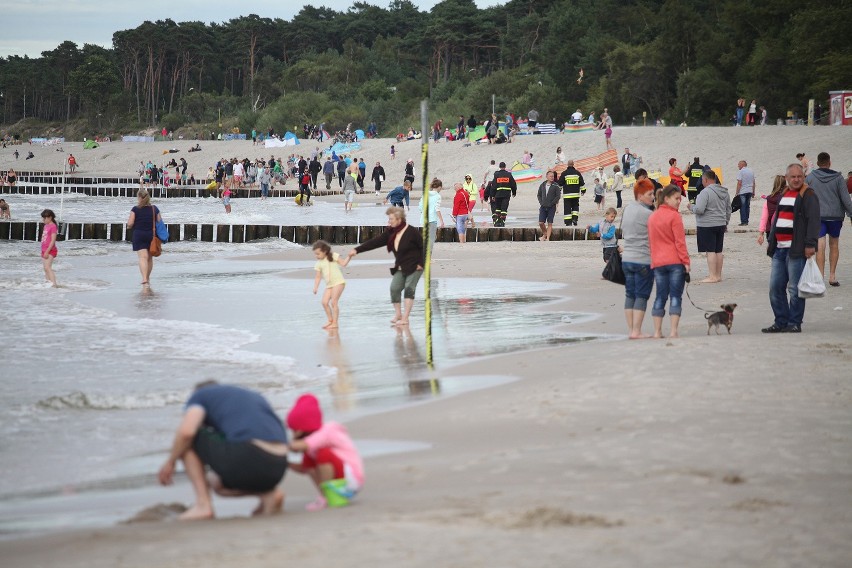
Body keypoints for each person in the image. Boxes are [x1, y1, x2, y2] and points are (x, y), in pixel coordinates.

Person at [157, 381, 288, 520]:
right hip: (279, 464)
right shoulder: (250, 396)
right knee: (217, 483)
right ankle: (269, 495)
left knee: (188, 441)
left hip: (250, 455)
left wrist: (171, 461)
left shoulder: (200, 396)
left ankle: (203, 506)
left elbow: (187, 432)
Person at [762, 163, 821, 333]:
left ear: (803, 177)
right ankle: (780, 321)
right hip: (779, 249)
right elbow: (776, 220)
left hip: (796, 250)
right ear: (786, 178)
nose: (796, 179)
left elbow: (814, 221)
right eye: (793, 177)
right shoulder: (784, 194)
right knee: (775, 288)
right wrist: (771, 241)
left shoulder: (808, 195)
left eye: (799, 176)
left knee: (795, 289)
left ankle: (794, 322)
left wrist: (810, 244)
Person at [285, 394, 364, 511]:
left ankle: (325, 495)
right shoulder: (312, 442)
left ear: (300, 429)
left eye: (293, 430)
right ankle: (327, 495)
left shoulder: (326, 432)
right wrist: (286, 463)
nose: (293, 433)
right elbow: (304, 468)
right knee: (308, 457)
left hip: (351, 480)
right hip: (340, 480)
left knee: (324, 454)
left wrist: (278, 446)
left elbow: (302, 445)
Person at [347, 207, 424, 326]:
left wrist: (421, 263)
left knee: (409, 289)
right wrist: (357, 250)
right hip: (401, 265)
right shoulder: (390, 233)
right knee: (394, 288)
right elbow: (375, 242)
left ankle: (405, 318)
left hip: (415, 266)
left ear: (399, 219)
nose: (389, 222)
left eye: (391, 219)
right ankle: (398, 314)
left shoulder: (412, 231)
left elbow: (423, 248)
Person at [648, 185, 691, 338]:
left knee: (660, 296)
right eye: (677, 198)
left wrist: (653, 261)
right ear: (666, 198)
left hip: (658, 262)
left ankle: (657, 331)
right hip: (674, 262)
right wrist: (686, 262)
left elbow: (651, 243)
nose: (679, 201)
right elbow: (680, 242)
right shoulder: (675, 216)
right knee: (675, 296)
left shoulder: (652, 216)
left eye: (680, 198)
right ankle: (673, 331)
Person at [806, 152, 852, 287]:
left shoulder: (810, 177)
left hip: (817, 215)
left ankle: (820, 276)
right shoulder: (838, 178)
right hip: (835, 216)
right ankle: (832, 276)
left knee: (820, 245)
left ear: (818, 163)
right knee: (834, 244)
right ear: (829, 162)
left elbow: (804, 196)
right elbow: (846, 199)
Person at [622, 179, 656, 338]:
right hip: (642, 259)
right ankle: (636, 331)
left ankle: (632, 330)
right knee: (641, 295)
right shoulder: (648, 214)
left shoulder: (627, 209)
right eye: (650, 194)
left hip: (627, 258)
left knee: (630, 294)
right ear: (640, 195)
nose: (653, 197)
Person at [689, 170, 731, 283]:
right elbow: (728, 209)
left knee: (710, 251)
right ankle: (718, 275)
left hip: (707, 224)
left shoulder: (705, 192)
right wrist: (726, 222)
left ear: (706, 179)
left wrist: (691, 207)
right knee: (718, 250)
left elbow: (699, 209)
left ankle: (712, 276)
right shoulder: (724, 192)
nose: (702, 182)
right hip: (721, 223)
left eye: (702, 180)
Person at [127, 190, 162, 286]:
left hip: (139, 235)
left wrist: (129, 226)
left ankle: (144, 278)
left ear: (139, 197)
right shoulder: (154, 209)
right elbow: (160, 222)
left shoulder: (135, 209)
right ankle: (147, 278)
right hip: (151, 235)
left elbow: (130, 223)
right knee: (149, 258)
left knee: (143, 257)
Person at [312, 240, 347, 329]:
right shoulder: (318, 263)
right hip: (329, 285)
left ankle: (335, 323)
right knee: (324, 302)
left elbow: (343, 263)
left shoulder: (333, 256)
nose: (316, 256)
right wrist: (315, 287)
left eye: (318, 254)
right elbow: (318, 277)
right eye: (315, 254)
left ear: (325, 251)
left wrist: (350, 256)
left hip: (338, 282)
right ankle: (330, 320)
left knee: (334, 302)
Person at [757, 175, 787, 246]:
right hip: (785, 230)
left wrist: (761, 233)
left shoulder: (768, 200)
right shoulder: (788, 198)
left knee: (775, 254)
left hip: (771, 230)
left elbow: (764, 218)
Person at [419, 178, 445, 252]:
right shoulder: (438, 196)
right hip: (432, 220)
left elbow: (420, 207)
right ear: (439, 187)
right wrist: (442, 221)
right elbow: (437, 209)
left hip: (423, 220)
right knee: (431, 239)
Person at [490, 162, 517, 227]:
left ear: (499, 167)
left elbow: (493, 186)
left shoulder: (496, 175)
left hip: (498, 195)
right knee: (504, 209)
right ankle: (502, 222)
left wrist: (493, 195)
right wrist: (514, 192)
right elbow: (513, 184)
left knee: (498, 209)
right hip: (506, 195)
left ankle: (497, 222)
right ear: (505, 167)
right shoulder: (509, 174)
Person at [558, 159, 584, 226]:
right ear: (573, 164)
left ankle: (568, 222)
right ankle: (574, 219)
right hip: (575, 194)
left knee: (567, 208)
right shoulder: (577, 173)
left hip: (567, 195)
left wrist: (559, 191)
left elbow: (560, 183)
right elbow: (582, 183)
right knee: (575, 207)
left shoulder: (564, 173)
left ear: (567, 165)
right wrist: (583, 191)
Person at [537, 170, 560, 241]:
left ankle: (548, 238)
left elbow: (558, 196)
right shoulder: (542, 185)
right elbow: (539, 195)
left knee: (550, 223)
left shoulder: (556, 185)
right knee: (541, 223)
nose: (552, 177)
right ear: (547, 176)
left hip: (551, 207)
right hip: (543, 206)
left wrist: (552, 203)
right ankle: (545, 234)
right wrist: (541, 202)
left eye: (553, 176)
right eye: (550, 176)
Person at [40, 209, 59, 287]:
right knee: (45, 268)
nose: (43, 220)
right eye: (43, 218)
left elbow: (53, 240)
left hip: (50, 250)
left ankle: (54, 284)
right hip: (44, 249)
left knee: (48, 267)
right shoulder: (46, 226)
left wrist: (47, 251)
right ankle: (48, 283)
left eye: (45, 218)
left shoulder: (53, 226)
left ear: (50, 217)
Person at [735, 160, 755, 225]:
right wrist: (753, 191)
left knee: (742, 206)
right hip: (749, 190)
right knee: (747, 206)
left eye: (739, 164)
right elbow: (753, 182)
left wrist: (737, 192)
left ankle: (744, 221)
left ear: (742, 165)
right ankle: (746, 220)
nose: (738, 166)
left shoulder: (741, 172)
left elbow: (739, 183)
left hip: (743, 191)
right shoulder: (751, 171)